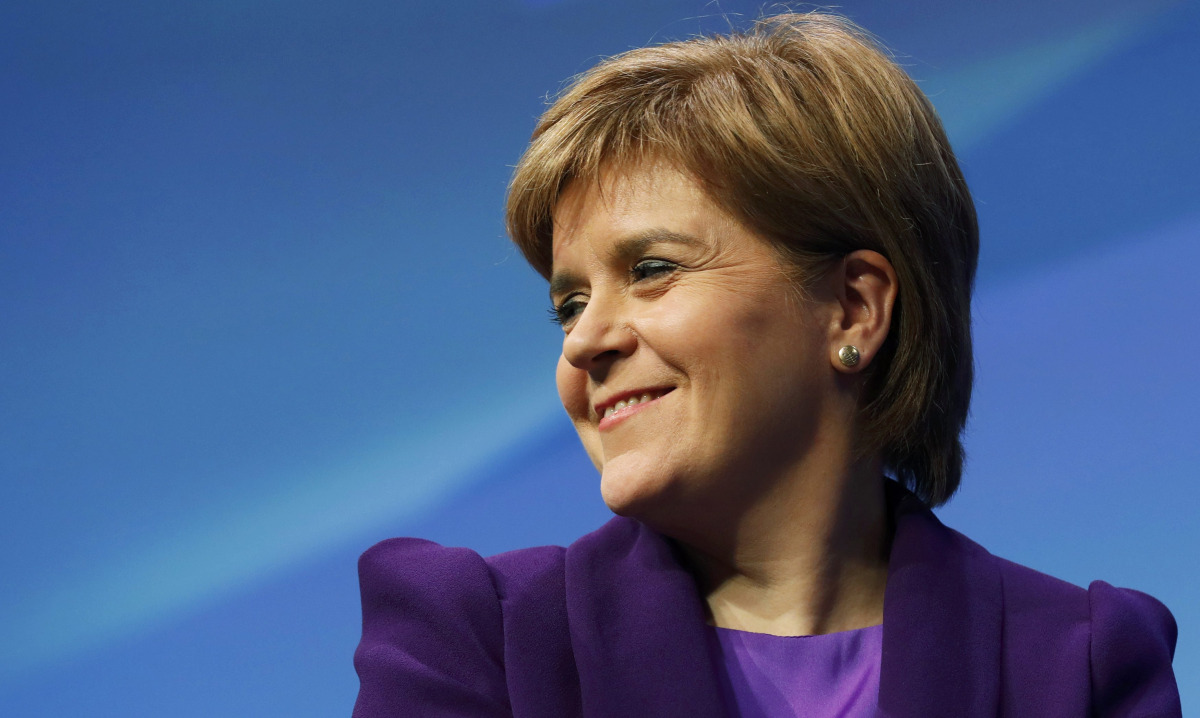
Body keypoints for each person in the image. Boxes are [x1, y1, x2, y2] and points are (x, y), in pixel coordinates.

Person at [351, 12, 1181, 717]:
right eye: (568, 304)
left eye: (650, 270)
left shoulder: (1081, 667)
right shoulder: (477, 640)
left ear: (854, 308)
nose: (583, 342)